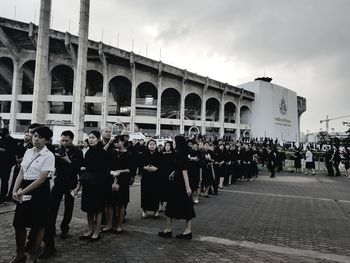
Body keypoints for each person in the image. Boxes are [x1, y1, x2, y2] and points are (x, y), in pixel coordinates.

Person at [10, 126, 55, 263]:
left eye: (40, 137)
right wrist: (14, 190)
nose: (36, 139)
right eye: (35, 136)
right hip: (25, 186)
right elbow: (22, 172)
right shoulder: (28, 151)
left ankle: (33, 257)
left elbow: (41, 179)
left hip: (40, 190)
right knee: (19, 223)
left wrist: (21, 192)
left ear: (47, 140)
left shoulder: (49, 155)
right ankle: (20, 254)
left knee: (39, 224)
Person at [39, 130, 83, 258]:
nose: (64, 143)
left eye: (66, 140)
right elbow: (53, 165)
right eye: (62, 140)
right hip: (58, 182)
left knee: (69, 207)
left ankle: (65, 228)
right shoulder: (58, 150)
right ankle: (50, 230)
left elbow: (78, 168)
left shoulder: (78, 152)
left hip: (71, 182)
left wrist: (68, 160)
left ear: (72, 140)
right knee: (52, 208)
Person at [73, 130, 108, 242]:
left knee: (97, 209)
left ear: (98, 139)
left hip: (98, 185)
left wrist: (95, 177)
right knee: (89, 209)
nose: (90, 139)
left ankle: (97, 232)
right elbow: (84, 168)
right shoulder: (88, 152)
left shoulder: (102, 152)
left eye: (93, 137)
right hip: (88, 184)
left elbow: (104, 170)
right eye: (89, 137)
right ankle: (90, 230)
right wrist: (80, 183)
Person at [159, 135, 196, 240]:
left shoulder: (181, 155)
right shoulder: (179, 154)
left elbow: (184, 172)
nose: (173, 144)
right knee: (185, 206)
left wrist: (188, 187)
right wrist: (174, 173)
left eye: (174, 142)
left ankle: (170, 230)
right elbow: (179, 169)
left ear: (178, 143)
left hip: (180, 184)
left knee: (176, 205)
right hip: (178, 182)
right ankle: (184, 231)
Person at [104, 135, 133, 233]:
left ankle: (119, 225)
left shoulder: (128, 154)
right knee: (109, 203)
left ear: (123, 142)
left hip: (123, 181)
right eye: (115, 142)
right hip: (110, 179)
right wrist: (109, 142)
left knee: (121, 203)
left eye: (118, 141)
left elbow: (130, 169)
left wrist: (120, 171)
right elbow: (102, 153)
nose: (116, 143)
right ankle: (109, 225)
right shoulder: (111, 152)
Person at [139, 139, 161, 218]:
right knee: (145, 193)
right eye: (150, 144)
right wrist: (145, 167)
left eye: (153, 144)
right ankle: (144, 211)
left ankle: (156, 210)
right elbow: (140, 164)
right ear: (147, 145)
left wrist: (157, 168)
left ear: (156, 145)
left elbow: (162, 165)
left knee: (155, 193)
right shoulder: (143, 154)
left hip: (156, 177)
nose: (152, 145)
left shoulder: (159, 154)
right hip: (146, 177)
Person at [0, 128, 17, 204]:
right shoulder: (1, 139)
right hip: (1, 162)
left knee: (4, 180)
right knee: (4, 181)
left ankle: (2, 197)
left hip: (7, 164)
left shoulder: (12, 141)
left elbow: (10, 152)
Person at [159, 141, 175, 211]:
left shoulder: (174, 154)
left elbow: (175, 165)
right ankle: (160, 205)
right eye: (166, 145)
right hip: (162, 174)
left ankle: (168, 205)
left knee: (170, 190)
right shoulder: (161, 154)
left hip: (170, 174)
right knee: (161, 190)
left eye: (168, 145)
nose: (167, 146)